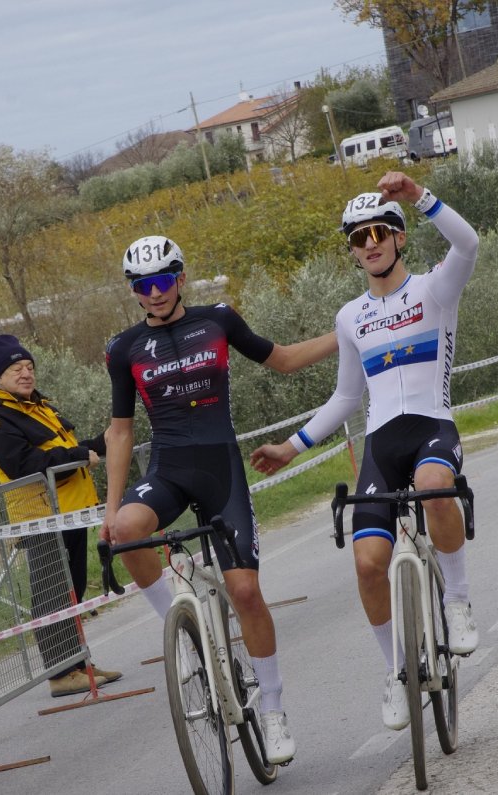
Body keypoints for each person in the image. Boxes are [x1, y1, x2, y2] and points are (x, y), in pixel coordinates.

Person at [250, 172, 480, 734]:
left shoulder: (434, 289)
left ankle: (458, 600)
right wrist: (292, 447)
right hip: (381, 444)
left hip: (431, 427)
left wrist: (418, 196)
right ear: (353, 252)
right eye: (359, 237)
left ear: (399, 237)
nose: (370, 242)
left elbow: (468, 243)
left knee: (432, 489)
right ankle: (395, 671)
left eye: (380, 230)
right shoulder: (350, 317)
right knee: (367, 565)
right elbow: (348, 396)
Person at [102, 235, 337, 764]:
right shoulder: (124, 349)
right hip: (167, 468)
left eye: (163, 280)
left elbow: (281, 360)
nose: (155, 293)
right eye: (143, 286)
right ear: (134, 291)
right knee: (125, 532)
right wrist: (109, 507)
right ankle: (181, 631)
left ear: (181, 278)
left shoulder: (219, 320)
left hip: (220, 470)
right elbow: (120, 431)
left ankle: (273, 710)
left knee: (247, 592)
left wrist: (343, 334)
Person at [0, 334, 122, 697]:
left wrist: (107, 439)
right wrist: (76, 457)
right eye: (15, 369)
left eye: (29, 367)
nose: (25, 374)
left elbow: (68, 449)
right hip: (39, 516)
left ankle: (78, 663)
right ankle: (60, 673)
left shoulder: (37, 407)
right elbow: (25, 465)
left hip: (69, 512)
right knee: (51, 593)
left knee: (71, 587)